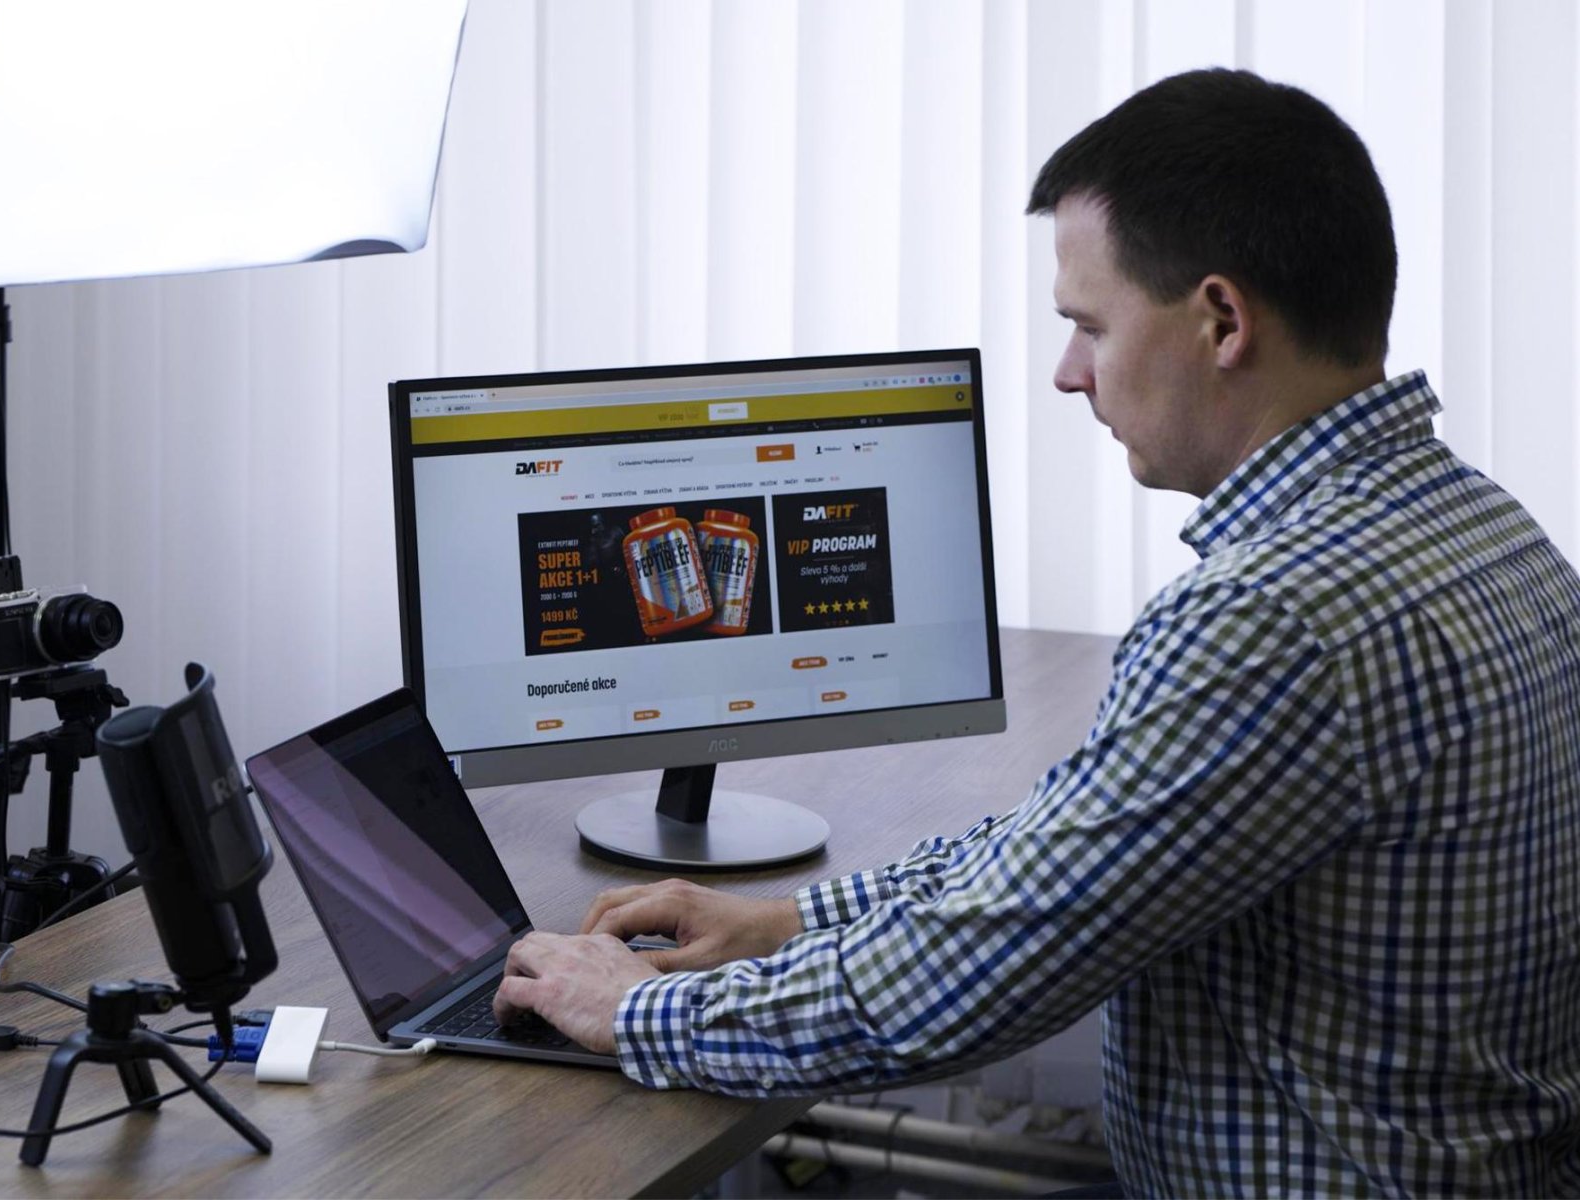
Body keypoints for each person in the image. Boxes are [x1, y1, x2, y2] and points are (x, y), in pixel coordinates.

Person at [494, 68, 1580, 1196]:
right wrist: (790, 918)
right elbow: (1062, 848)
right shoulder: (1488, 529)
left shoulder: (1272, 619)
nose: (1068, 375)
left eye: (1089, 326)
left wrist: (637, 1009)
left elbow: (974, 976)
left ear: (1222, 320)